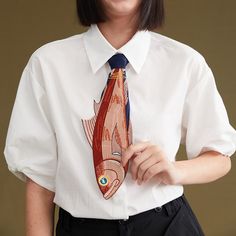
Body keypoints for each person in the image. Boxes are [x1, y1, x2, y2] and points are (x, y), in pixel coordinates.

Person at [3, 0, 236, 235]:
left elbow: (220, 157)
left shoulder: (185, 62)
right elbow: (40, 180)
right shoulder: (47, 65)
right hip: (82, 228)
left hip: (167, 224)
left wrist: (175, 170)